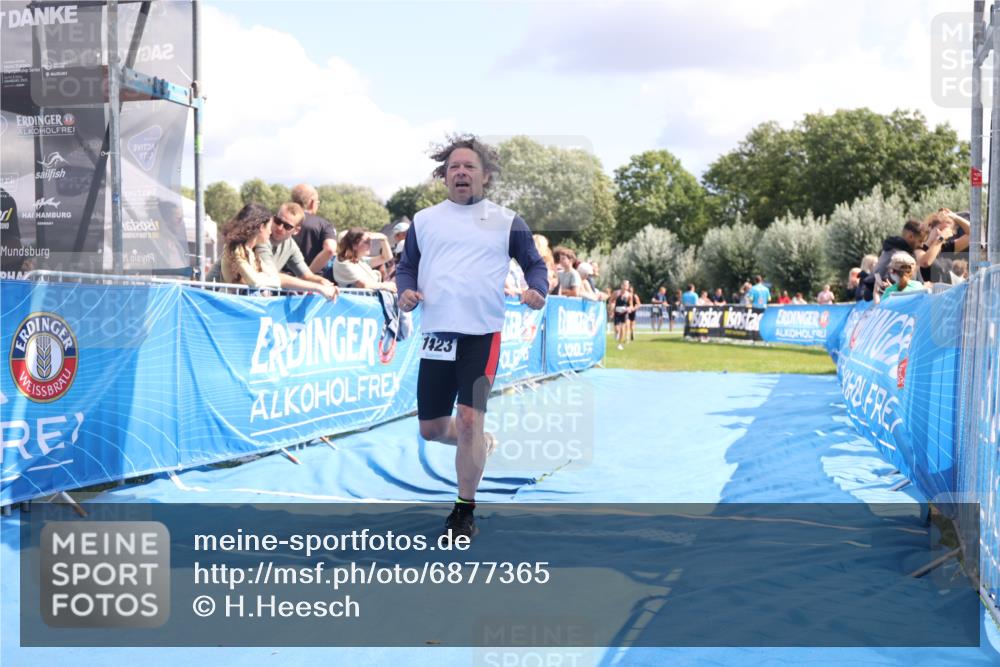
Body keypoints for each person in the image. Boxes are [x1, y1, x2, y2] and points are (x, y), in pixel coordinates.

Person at [396, 135, 547, 540]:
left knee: (467, 419)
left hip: (482, 335)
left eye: (469, 167)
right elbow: (406, 266)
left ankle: (463, 510)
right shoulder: (425, 221)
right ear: (443, 176)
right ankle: (481, 441)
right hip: (438, 336)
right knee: (431, 428)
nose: (461, 172)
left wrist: (538, 291)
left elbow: (535, 264)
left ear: (486, 176)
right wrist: (405, 292)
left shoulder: (506, 220)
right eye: (454, 167)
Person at [264, 202, 339, 300]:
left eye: (287, 226)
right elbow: (271, 275)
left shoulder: (290, 245)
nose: (280, 227)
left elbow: (306, 275)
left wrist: (324, 282)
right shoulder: (261, 237)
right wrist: (318, 288)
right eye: (278, 221)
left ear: (296, 230)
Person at [220, 203, 281, 289]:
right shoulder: (235, 250)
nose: (270, 232)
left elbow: (277, 281)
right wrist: (261, 276)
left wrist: (259, 277)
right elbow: (255, 282)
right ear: (261, 227)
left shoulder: (252, 253)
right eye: (269, 227)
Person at [290, 183, 338, 276]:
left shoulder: (280, 222)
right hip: (313, 285)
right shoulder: (323, 224)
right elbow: (330, 249)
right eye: (317, 203)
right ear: (312, 202)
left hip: (282, 282)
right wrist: (307, 275)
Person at [333, 228, 397, 291]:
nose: (370, 244)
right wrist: (386, 285)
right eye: (367, 242)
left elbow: (386, 257)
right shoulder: (344, 263)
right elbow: (364, 285)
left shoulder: (357, 259)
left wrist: (383, 239)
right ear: (354, 245)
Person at [612, 280, 631, 350]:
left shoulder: (629, 295)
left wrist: (629, 308)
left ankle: (620, 344)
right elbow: (611, 301)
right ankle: (617, 333)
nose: (626, 287)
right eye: (625, 285)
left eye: (627, 285)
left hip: (624, 313)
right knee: (617, 329)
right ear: (622, 285)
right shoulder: (616, 293)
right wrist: (611, 308)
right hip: (617, 312)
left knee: (623, 328)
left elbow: (631, 305)